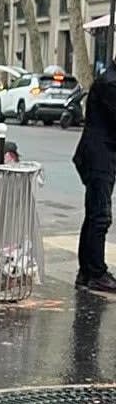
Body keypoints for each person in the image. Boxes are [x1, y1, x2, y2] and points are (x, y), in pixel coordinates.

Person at [74, 58, 116, 292]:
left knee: (93, 215)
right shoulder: (110, 84)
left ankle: (87, 272)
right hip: (99, 155)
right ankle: (96, 272)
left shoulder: (108, 81)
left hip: (99, 154)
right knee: (100, 216)